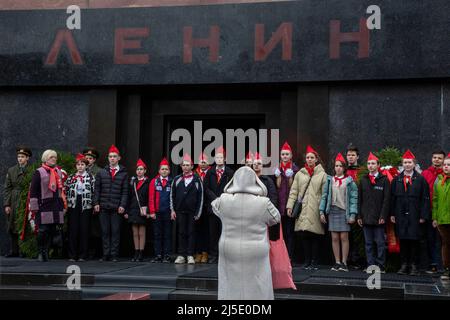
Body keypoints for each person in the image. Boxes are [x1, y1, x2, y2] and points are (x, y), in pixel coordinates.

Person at [211, 166, 281, 300]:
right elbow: (276, 218)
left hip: (229, 248)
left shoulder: (223, 199)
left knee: (230, 284)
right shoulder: (263, 202)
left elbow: (214, 207)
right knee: (257, 285)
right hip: (255, 249)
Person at [287, 145, 327, 270]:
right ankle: (307, 260)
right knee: (304, 235)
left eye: (312, 157)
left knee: (314, 235)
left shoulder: (322, 174)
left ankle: (314, 261)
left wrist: (322, 210)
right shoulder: (300, 174)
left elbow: (325, 193)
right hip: (302, 208)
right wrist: (290, 206)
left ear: (316, 159)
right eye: (308, 157)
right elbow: (294, 191)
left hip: (315, 208)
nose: (309, 159)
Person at [391, 149, 430, 275]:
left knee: (414, 240)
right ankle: (404, 265)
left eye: (409, 162)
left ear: (414, 164)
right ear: (402, 164)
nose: (407, 165)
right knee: (403, 240)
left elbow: (425, 198)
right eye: (405, 162)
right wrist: (392, 214)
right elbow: (393, 198)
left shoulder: (420, 179)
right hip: (400, 215)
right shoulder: (397, 179)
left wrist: (423, 215)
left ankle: (414, 265)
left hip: (415, 215)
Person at [320, 153, 358, 272]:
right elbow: (324, 196)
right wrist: (321, 211)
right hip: (333, 211)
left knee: (344, 237)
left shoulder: (349, 181)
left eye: (340, 166)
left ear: (344, 168)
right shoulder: (330, 180)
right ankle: (337, 262)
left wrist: (352, 214)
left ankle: (344, 262)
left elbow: (353, 199)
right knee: (335, 237)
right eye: (336, 166)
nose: (338, 168)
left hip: (344, 211)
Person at [29, 150, 66, 262]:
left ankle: (47, 252)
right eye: (51, 157)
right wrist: (34, 207)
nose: (54, 159)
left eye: (55, 157)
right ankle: (41, 252)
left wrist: (62, 205)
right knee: (42, 230)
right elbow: (33, 191)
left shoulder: (58, 172)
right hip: (43, 205)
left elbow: (61, 190)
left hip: (56, 204)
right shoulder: (39, 172)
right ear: (45, 158)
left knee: (51, 230)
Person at [93, 145, 129, 262]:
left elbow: (125, 192)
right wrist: (96, 202)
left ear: (119, 158)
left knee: (115, 232)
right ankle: (105, 254)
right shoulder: (102, 172)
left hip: (116, 207)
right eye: (110, 156)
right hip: (103, 206)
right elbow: (97, 189)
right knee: (104, 232)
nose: (112, 158)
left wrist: (122, 205)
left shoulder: (123, 173)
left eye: (114, 156)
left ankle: (114, 254)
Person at [357, 152, 390, 273]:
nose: (370, 166)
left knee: (380, 243)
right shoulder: (363, 180)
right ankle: (370, 265)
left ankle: (381, 266)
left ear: (378, 165)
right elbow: (359, 199)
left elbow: (386, 200)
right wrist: (359, 216)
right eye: (369, 163)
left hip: (378, 218)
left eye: (373, 163)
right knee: (368, 244)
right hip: (366, 217)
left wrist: (383, 216)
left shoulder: (384, 180)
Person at [170, 153, 204, 264]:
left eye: (187, 165)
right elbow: (172, 195)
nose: (185, 167)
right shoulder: (177, 179)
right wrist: (172, 210)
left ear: (192, 166)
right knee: (181, 233)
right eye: (183, 165)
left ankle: (190, 255)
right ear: (181, 166)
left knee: (191, 232)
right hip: (180, 211)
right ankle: (181, 255)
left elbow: (201, 197)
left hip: (192, 212)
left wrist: (198, 212)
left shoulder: (197, 180)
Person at [203, 146, 234, 264]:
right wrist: (215, 198)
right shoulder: (210, 172)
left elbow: (232, 187)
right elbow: (206, 188)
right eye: (217, 157)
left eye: (221, 157)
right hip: (213, 206)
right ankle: (213, 254)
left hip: (225, 207)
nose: (219, 159)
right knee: (213, 232)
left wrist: (223, 198)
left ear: (225, 159)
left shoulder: (230, 172)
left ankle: (224, 255)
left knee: (224, 232)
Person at [3, 146, 32, 257]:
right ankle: (14, 250)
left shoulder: (32, 170)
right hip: (14, 199)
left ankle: (24, 251)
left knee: (25, 225)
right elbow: (7, 188)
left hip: (26, 198)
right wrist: (7, 204)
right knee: (12, 225)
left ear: (27, 158)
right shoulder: (12, 170)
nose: (20, 159)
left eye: (22, 157)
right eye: (18, 156)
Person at [65, 154, 95, 262]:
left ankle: (83, 255)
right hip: (73, 204)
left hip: (86, 205)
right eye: (78, 164)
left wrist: (94, 204)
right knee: (73, 229)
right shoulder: (71, 177)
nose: (80, 166)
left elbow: (94, 192)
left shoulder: (91, 177)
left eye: (82, 164)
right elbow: (66, 191)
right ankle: (72, 255)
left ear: (86, 166)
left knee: (84, 229)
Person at [421, 150, 446, 274]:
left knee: (442, 239)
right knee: (430, 238)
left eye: (439, 158)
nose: (437, 160)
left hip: (443, 212)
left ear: (443, 160)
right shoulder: (425, 173)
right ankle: (432, 264)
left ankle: (442, 264)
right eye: (435, 157)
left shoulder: (445, 174)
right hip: (428, 211)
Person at [273, 141, 299, 259]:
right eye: (283, 154)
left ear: (291, 155)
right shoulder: (276, 170)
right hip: (279, 206)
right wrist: (275, 176)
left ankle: (289, 256)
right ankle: (280, 256)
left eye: (287, 154)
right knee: (279, 233)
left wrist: (292, 175)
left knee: (290, 233)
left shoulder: (295, 169)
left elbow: (296, 188)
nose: (284, 156)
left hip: (290, 206)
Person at [149, 158, 173, 263]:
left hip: (168, 212)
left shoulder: (172, 181)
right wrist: (152, 211)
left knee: (167, 234)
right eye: (162, 169)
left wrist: (173, 211)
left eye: (166, 169)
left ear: (169, 171)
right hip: (157, 212)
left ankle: (167, 255)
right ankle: (158, 255)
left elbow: (174, 198)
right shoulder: (154, 181)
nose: (164, 171)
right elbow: (151, 197)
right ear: (159, 171)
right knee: (157, 234)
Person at [126, 159, 149, 262]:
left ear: (145, 171)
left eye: (141, 169)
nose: (139, 171)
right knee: (135, 232)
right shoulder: (132, 182)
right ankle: (136, 251)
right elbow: (128, 197)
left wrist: (149, 211)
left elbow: (150, 197)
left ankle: (141, 252)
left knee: (142, 232)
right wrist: (127, 211)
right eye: (138, 169)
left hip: (143, 209)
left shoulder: (148, 182)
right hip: (133, 209)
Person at [432, 154, 450, 280]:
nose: (446, 167)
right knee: (446, 244)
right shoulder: (439, 180)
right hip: (442, 220)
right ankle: (447, 269)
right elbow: (435, 200)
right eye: (445, 165)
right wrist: (435, 217)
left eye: (449, 165)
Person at [83, 147, 102, 259]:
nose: (88, 160)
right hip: (84, 203)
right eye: (86, 157)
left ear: (94, 160)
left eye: (90, 158)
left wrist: (97, 203)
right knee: (86, 228)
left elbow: (99, 189)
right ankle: (87, 251)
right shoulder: (81, 169)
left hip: (94, 201)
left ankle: (96, 252)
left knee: (95, 229)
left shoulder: (98, 171)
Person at [193, 152, 211, 263]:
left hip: (207, 205)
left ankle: (205, 252)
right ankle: (198, 252)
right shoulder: (194, 173)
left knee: (207, 230)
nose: (203, 164)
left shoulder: (211, 172)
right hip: (196, 205)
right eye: (201, 162)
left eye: (205, 162)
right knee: (196, 229)